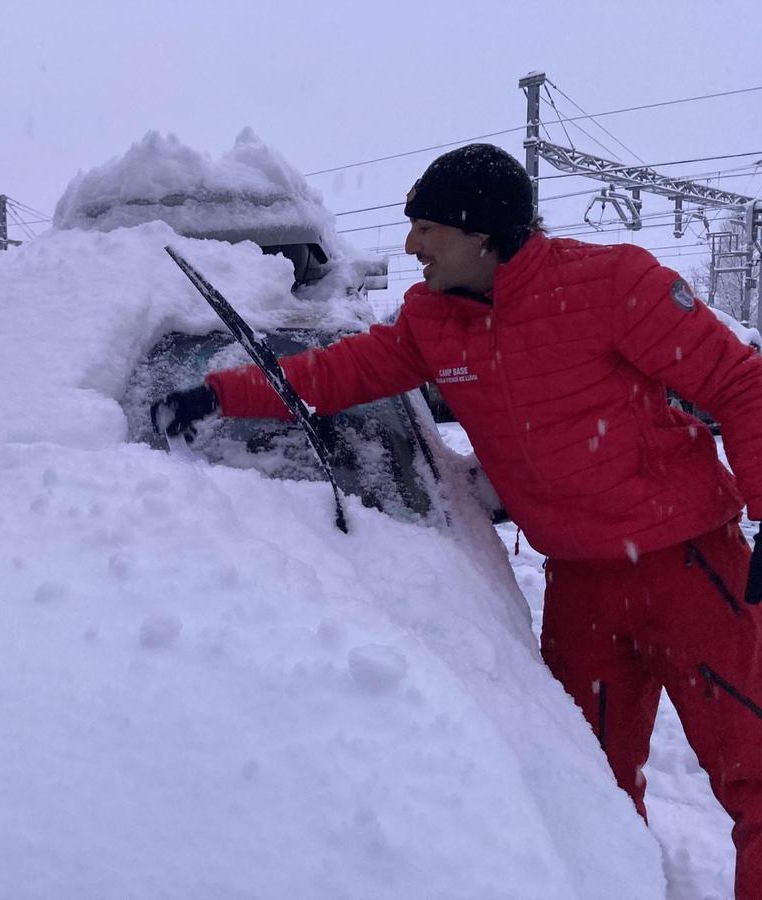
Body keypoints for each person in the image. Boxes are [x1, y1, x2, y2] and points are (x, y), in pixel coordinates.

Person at [151, 143, 762, 897]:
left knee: (754, 771)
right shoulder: (430, 323)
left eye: (426, 227)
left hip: (691, 567)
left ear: (482, 234)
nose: (410, 246)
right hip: (581, 589)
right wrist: (222, 395)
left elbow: (741, 384)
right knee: (589, 793)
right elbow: (339, 373)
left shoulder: (615, 285)